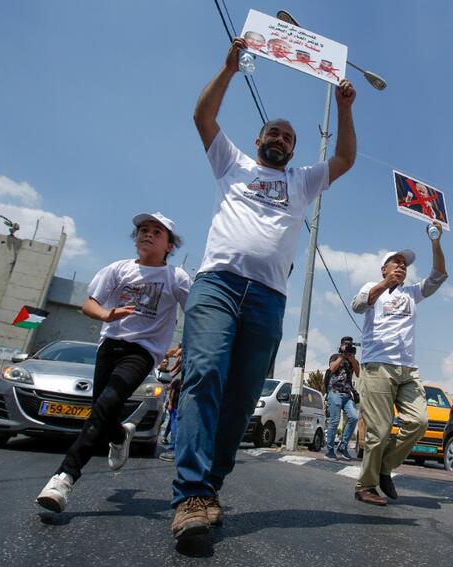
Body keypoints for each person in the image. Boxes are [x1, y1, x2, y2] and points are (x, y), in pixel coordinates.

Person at [171, 36, 356, 539]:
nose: (280, 139)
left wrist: (343, 108)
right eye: (273, 132)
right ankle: (189, 494)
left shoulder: (301, 183)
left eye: (289, 138)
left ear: (293, 151)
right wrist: (228, 69)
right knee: (204, 375)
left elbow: (343, 159)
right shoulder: (231, 163)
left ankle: (210, 486)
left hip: (268, 300)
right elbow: (202, 117)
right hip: (217, 286)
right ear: (258, 140)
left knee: (242, 395)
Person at [36, 212, 191, 513]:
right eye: (143, 230)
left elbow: (195, 311)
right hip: (110, 346)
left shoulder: (176, 278)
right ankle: (120, 434)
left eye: (157, 232)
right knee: (101, 412)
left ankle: (63, 478)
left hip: (143, 351)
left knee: (106, 403)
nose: (147, 234)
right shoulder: (118, 269)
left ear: (170, 246)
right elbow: (89, 303)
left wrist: (188, 345)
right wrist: (106, 314)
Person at [351, 222, 447, 505]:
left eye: (404, 264)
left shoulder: (412, 293)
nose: (401, 266)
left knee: (419, 421)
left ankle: (383, 468)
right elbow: (358, 306)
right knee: (378, 432)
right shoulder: (373, 287)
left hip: (407, 369)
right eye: (396, 262)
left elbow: (439, 275)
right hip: (377, 367)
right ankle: (365, 486)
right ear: (384, 268)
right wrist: (384, 285)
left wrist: (435, 241)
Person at [324, 336, 360, 461]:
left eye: (350, 344)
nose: (348, 346)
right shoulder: (335, 356)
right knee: (334, 421)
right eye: (346, 344)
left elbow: (358, 373)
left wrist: (352, 358)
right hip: (334, 392)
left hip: (347, 394)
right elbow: (332, 368)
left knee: (354, 417)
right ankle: (329, 451)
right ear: (341, 345)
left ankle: (342, 446)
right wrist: (341, 355)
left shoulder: (352, 359)